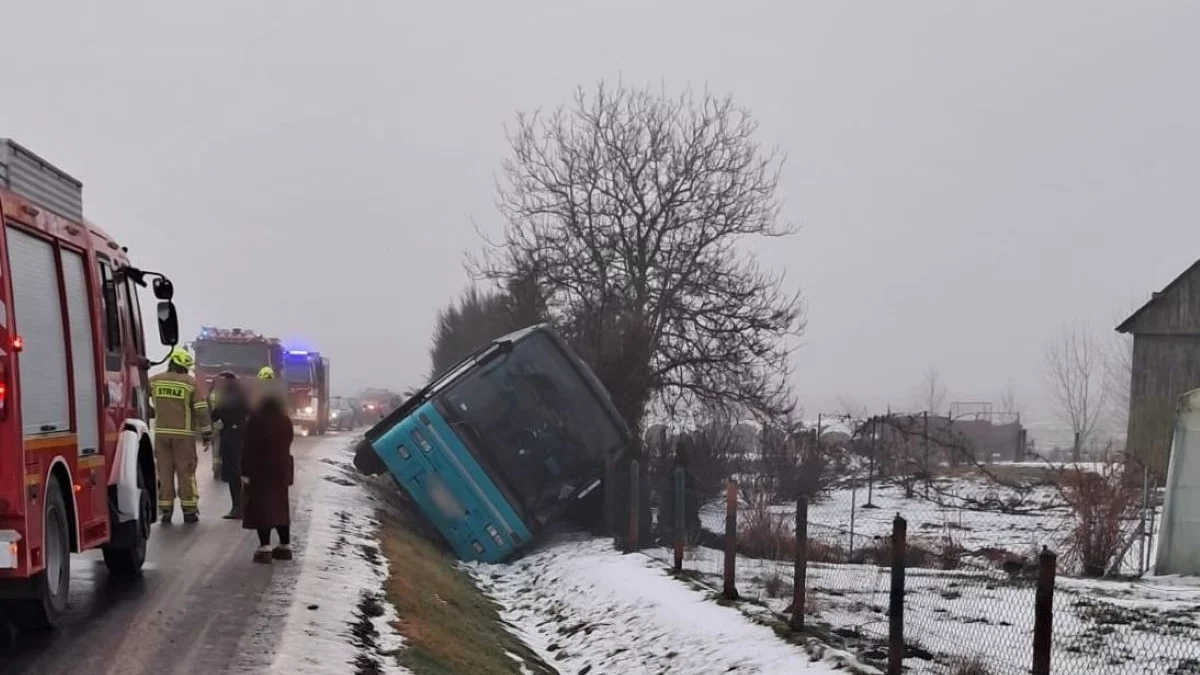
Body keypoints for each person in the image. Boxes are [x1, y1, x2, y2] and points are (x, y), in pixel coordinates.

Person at [149, 348, 212, 524]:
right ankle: (189, 510)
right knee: (186, 473)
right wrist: (206, 432)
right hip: (184, 435)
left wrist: (152, 411)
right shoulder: (190, 383)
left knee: (164, 472)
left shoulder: (155, 380)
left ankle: (166, 509)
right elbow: (201, 410)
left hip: (161, 434)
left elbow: (138, 395)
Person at [242, 386, 295, 564]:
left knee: (262, 508)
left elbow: (248, 447)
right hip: (281, 469)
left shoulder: (256, 420)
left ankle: (265, 547)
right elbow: (288, 442)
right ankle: (285, 546)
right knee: (280, 507)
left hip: (260, 470)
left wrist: (245, 471)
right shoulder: (285, 420)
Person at [210, 372, 250, 519]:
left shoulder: (228, 399)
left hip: (231, 439)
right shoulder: (242, 397)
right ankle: (245, 507)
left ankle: (237, 508)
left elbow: (214, 415)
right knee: (243, 474)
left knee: (234, 475)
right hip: (242, 437)